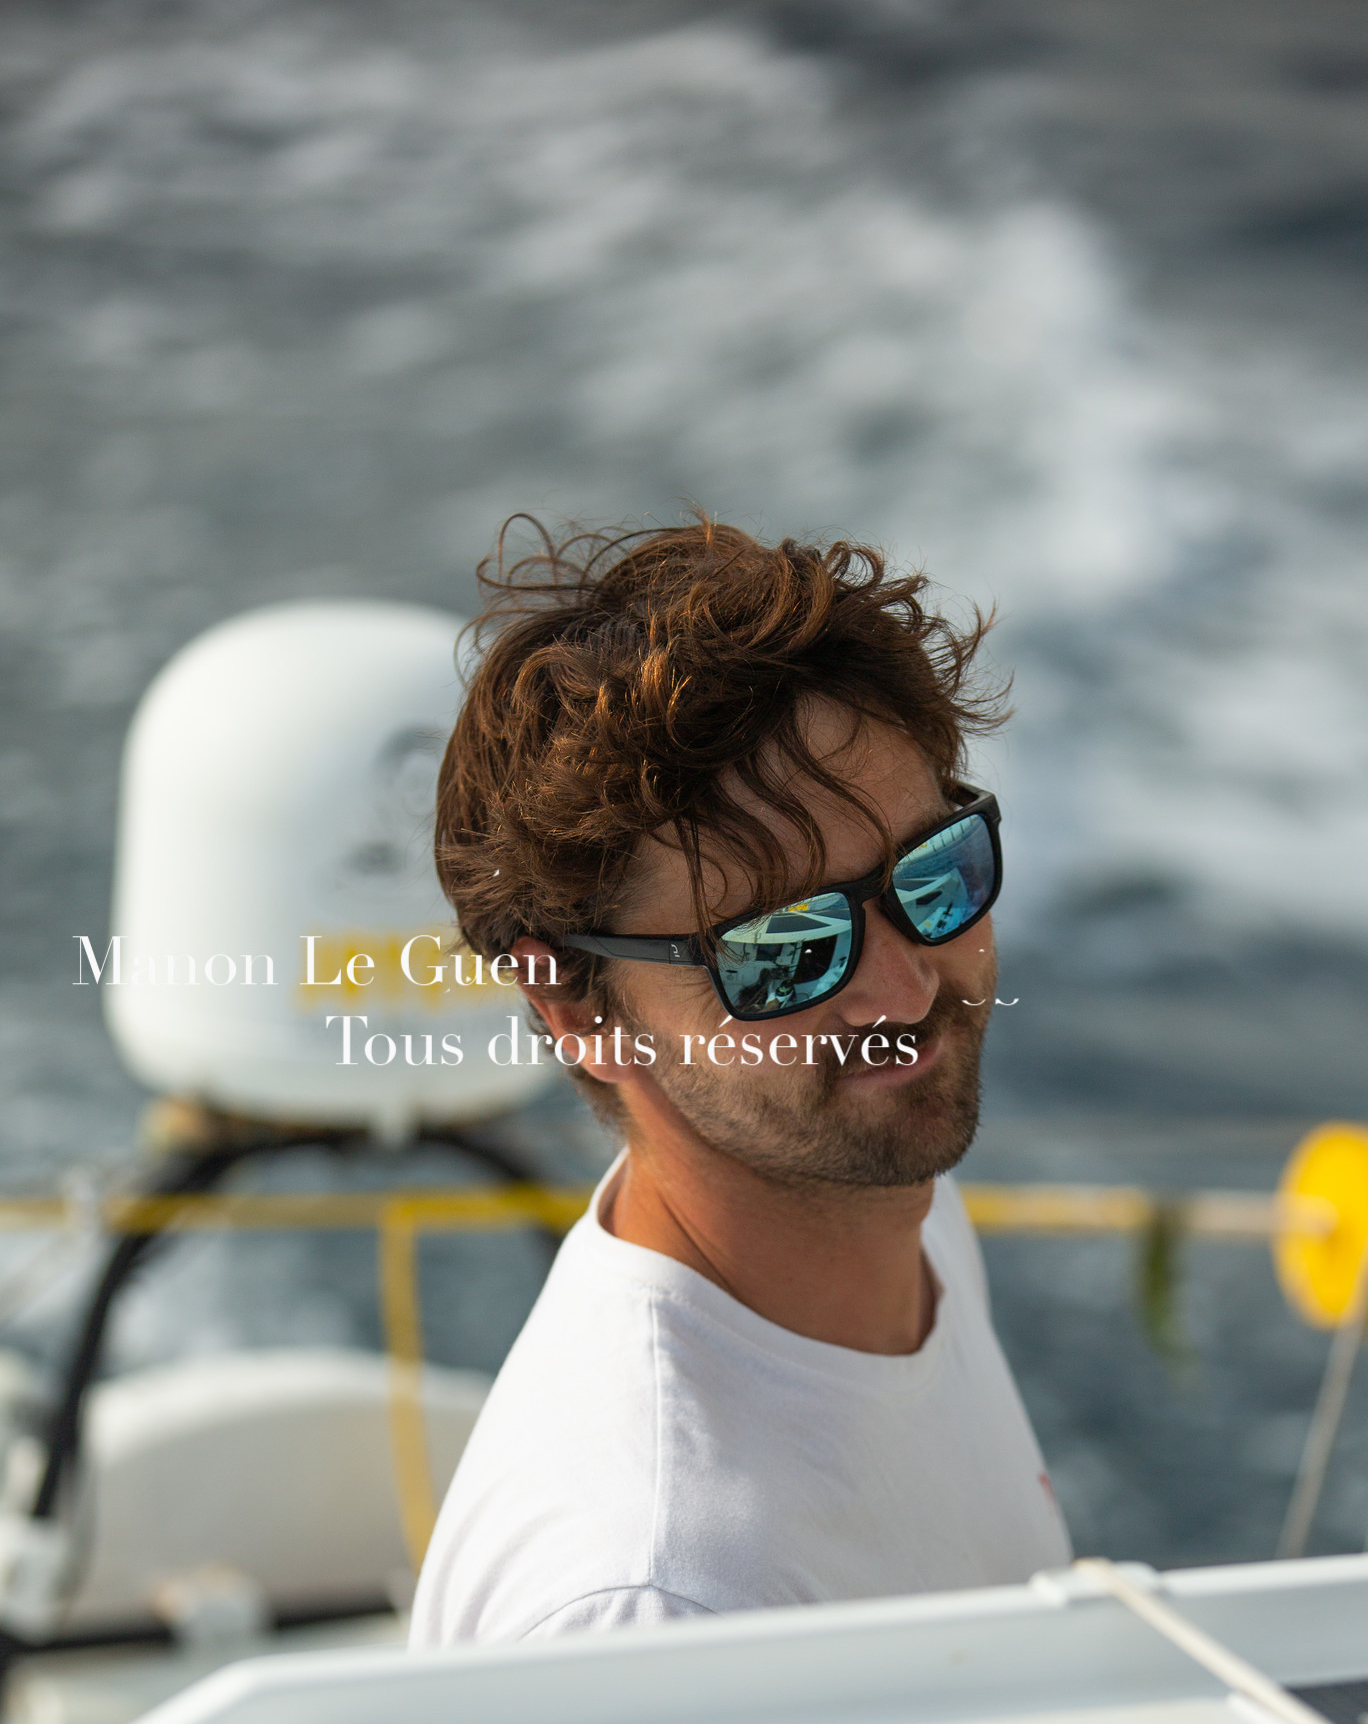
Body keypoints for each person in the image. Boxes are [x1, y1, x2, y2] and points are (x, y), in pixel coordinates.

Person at [410, 519, 1070, 1645]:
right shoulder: (658, 1598)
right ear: (577, 1012)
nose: (903, 990)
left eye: (935, 875)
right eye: (783, 952)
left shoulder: (901, 1210)